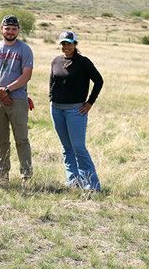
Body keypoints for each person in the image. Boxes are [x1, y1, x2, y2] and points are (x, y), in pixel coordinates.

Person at [49, 31, 104, 191]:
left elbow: (99, 81)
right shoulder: (56, 61)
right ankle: (74, 180)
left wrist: (89, 103)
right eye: (63, 44)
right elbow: (52, 82)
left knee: (78, 147)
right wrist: (51, 99)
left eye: (69, 43)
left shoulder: (83, 62)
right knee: (67, 148)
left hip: (76, 111)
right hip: (57, 109)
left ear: (75, 44)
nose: (66, 47)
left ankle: (92, 184)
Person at [0, 15, 34, 183]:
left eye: (14, 29)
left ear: (18, 30)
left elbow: (26, 75)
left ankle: (26, 175)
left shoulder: (24, 49)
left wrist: (7, 90)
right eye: (7, 28)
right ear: (1, 29)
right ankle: (2, 173)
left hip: (19, 98)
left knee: (21, 139)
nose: (10, 31)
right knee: (1, 140)